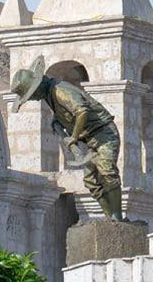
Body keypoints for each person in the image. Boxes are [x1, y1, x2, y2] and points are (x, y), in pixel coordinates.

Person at [9, 55, 124, 221]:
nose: (33, 98)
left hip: (104, 134)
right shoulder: (49, 95)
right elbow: (65, 113)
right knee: (91, 181)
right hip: (90, 140)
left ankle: (118, 218)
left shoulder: (60, 90)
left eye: (32, 94)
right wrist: (57, 121)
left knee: (107, 171)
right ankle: (109, 219)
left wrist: (73, 137)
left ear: (38, 85)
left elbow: (81, 111)